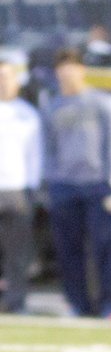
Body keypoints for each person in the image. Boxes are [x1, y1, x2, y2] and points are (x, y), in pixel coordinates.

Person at [41, 47, 111, 318]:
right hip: (63, 186)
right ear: (56, 73)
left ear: (82, 70)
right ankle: (77, 304)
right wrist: (50, 181)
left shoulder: (99, 104)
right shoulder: (52, 107)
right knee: (68, 250)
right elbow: (48, 147)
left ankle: (110, 303)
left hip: (97, 184)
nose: (67, 73)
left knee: (105, 246)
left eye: (73, 66)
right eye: (62, 67)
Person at [0, 58, 42, 314]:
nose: (3, 82)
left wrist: (32, 188)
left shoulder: (28, 114)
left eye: (7, 77)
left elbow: (35, 155)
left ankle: (16, 302)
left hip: (17, 189)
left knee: (17, 253)